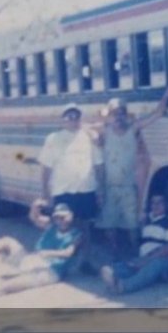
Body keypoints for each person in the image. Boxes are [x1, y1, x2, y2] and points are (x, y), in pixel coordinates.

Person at [95, 87, 168, 257]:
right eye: (115, 113)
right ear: (110, 115)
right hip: (109, 185)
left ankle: (135, 251)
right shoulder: (104, 132)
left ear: (126, 114)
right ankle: (114, 251)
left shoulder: (134, 129)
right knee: (109, 223)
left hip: (129, 185)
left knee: (132, 223)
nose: (118, 116)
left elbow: (157, 114)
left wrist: (165, 97)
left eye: (121, 112)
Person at [0, 201, 81, 298]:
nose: (61, 220)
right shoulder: (51, 226)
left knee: (31, 278)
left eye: (63, 217)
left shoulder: (76, 234)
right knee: (8, 241)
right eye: (58, 217)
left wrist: (48, 253)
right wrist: (34, 207)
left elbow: (68, 253)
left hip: (52, 271)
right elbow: (34, 218)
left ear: (71, 216)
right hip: (35, 260)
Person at [37, 103, 104, 272]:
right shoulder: (53, 139)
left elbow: (98, 164)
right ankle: (61, 263)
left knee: (85, 228)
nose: (73, 120)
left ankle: (85, 262)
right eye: (69, 117)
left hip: (86, 189)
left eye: (76, 117)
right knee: (64, 227)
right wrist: (46, 193)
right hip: (63, 191)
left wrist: (100, 189)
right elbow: (46, 168)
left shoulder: (89, 137)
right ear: (62, 120)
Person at [99, 192, 168, 294]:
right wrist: (140, 261)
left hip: (166, 260)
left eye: (159, 203)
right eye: (153, 203)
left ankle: (124, 286)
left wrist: (147, 260)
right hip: (145, 259)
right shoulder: (147, 220)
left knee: (155, 264)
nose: (156, 206)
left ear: (166, 204)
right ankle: (113, 276)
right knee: (118, 267)